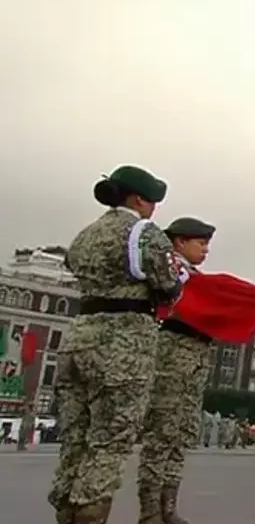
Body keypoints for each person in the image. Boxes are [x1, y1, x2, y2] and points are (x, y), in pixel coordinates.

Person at [48, 166, 183, 524]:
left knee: (75, 438)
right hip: (122, 343)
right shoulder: (143, 233)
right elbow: (169, 284)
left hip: (80, 336)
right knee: (110, 439)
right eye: (152, 200)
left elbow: (73, 266)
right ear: (139, 199)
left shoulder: (87, 233)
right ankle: (90, 513)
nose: (154, 207)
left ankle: (65, 510)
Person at [137, 216, 217, 524]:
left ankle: (168, 506)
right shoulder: (171, 270)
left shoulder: (193, 275)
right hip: (172, 351)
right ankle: (150, 511)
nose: (206, 250)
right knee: (162, 431)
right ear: (180, 242)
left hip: (194, 355)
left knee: (181, 433)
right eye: (201, 243)